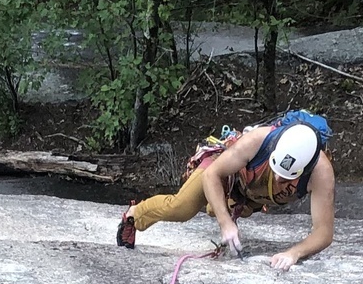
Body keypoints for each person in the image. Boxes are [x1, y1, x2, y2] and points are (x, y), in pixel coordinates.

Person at [115, 111, 334, 271]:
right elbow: (213, 175)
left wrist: (293, 253)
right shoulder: (258, 141)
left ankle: (222, 209)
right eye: (276, 170)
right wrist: (226, 224)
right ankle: (135, 216)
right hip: (222, 171)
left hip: (249, 195)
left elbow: (323, 233)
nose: (278, 178)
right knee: (182, 207)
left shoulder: (321, 173)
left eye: (286, 177)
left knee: (215, 208)